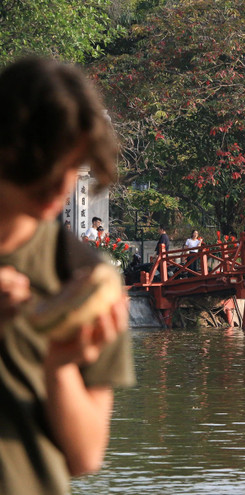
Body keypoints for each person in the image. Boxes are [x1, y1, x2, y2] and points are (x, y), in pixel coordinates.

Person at [0, 57, 134, 494]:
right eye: (47, 164)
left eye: (74, 168)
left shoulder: (84, 276)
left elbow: (85, 455)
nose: (62, 187)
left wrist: (59, 364)